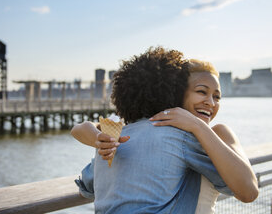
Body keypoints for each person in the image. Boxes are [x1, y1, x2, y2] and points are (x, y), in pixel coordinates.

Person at [72, 47, 258, 213]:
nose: (211, 102)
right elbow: (247, 190)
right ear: (176, 93)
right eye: (201, 91)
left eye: (217, 97)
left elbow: (87, 187)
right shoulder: (181, 138)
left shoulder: (114, 139)